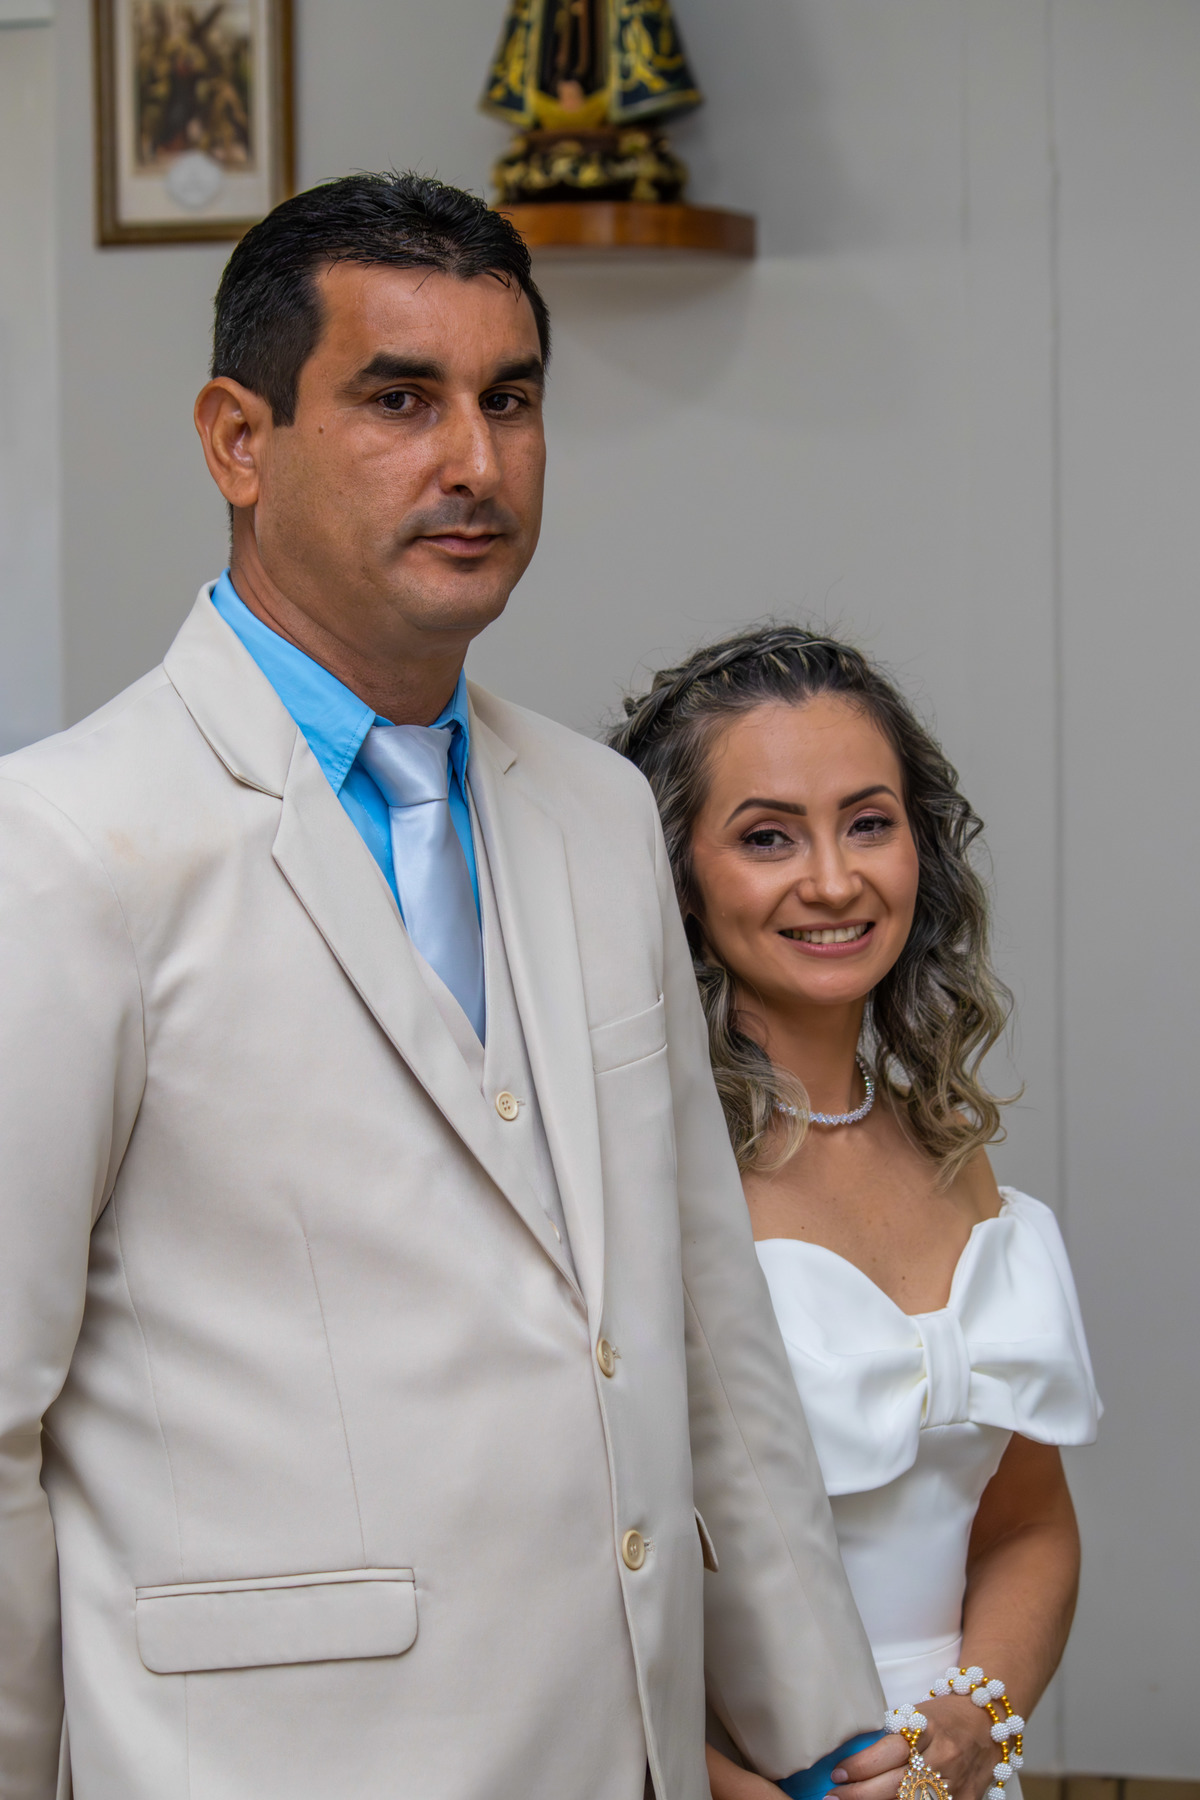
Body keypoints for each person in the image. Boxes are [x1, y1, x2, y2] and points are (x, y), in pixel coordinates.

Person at [0, 179, 882, 1799]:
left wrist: (822, 1734)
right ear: (238, 441)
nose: (475, 460)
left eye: (511, 400)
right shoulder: (59, 846)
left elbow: (704, 1314)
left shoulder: (598, 814)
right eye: (400, 400)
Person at [611, 626, 1100, 1800]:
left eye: (868, 824)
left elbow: (1027, 1522)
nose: (834, 882)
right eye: (767, 836)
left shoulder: (954, 1155)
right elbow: (557, 1583)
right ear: (677, 875)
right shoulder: (631, 1179)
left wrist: (978, 1721)